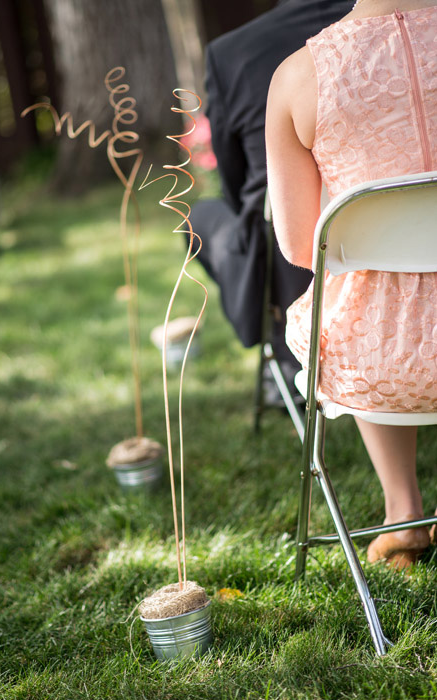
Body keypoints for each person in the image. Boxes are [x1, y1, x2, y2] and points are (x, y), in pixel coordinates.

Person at [266, 0, 437, 568]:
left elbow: (300, 246)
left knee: (360, 304)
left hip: (381, 362)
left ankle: (403, 514)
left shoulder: (299, 76)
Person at [190, 0, 351, 394]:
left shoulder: (233, 51)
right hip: (387, 223)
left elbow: (232, 178)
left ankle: (281, 350)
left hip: (293, 253)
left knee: (203, 216)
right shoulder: (395, 33)